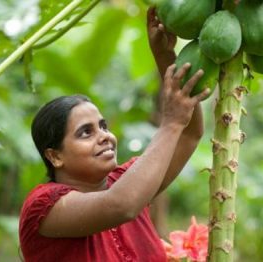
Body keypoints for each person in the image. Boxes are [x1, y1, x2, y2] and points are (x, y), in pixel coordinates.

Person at [19, 7, 209, 262]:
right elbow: (122, 205)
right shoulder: (43, 207)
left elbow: (188, 135)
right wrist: (170, 122)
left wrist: (165, 57)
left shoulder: (127, 182)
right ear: (55, 157)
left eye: (103, 126)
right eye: (86, 133)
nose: (105, 136)